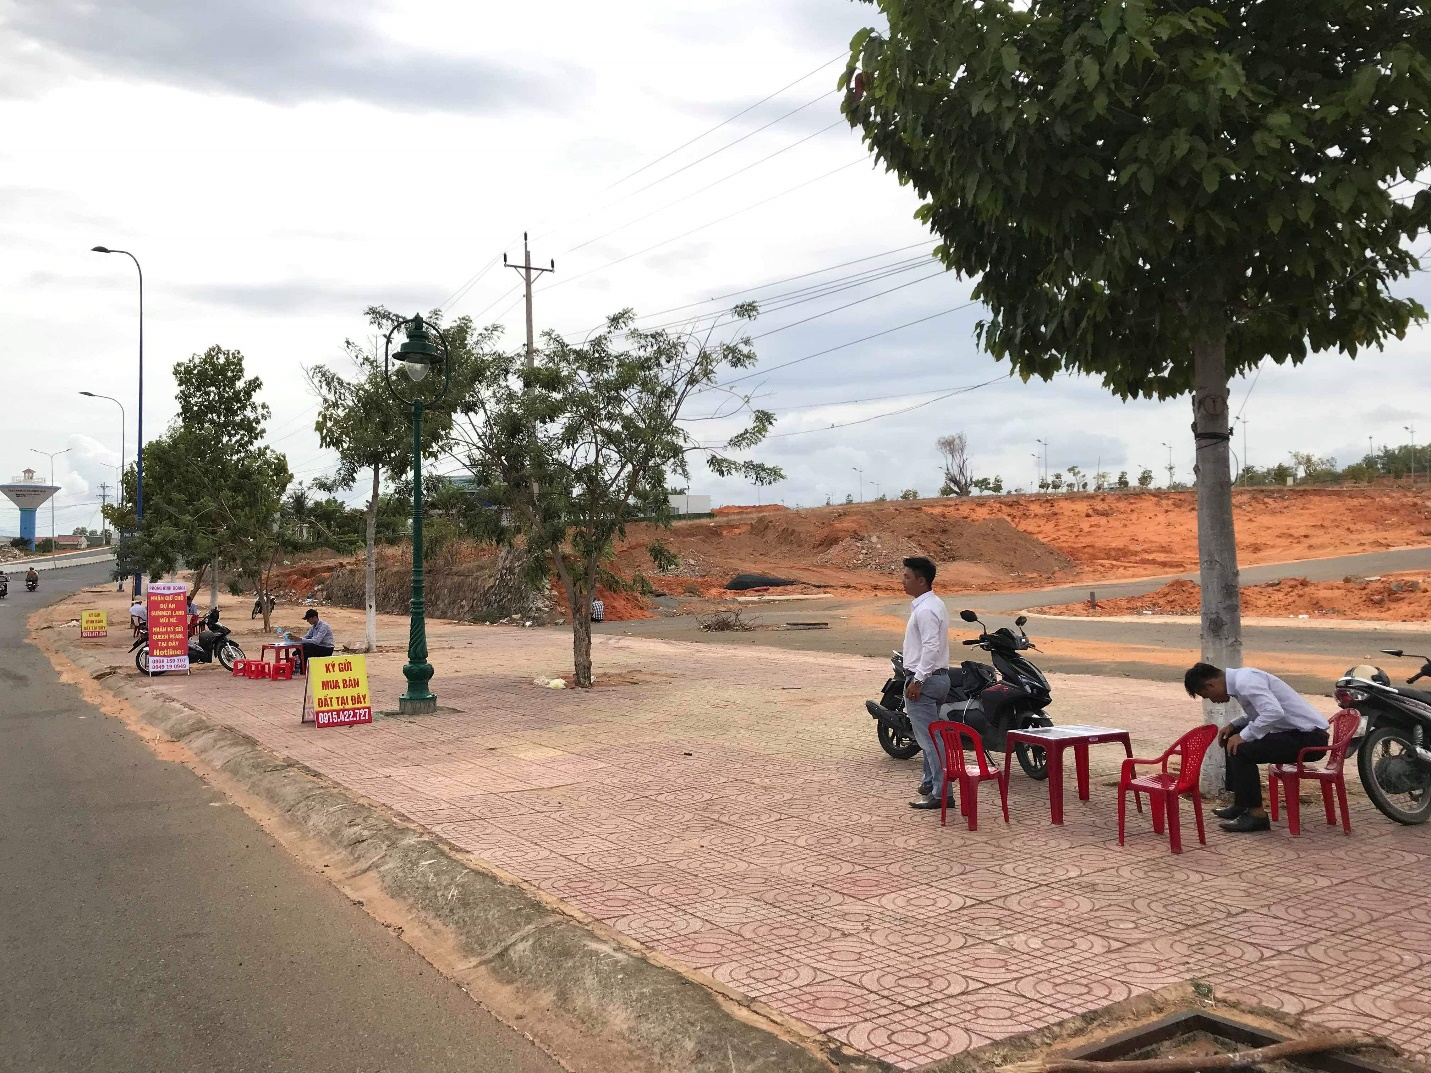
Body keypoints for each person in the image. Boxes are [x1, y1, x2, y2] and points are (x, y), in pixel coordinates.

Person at [1184, 662, 1330, 833]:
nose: (1212, 701)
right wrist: (1234, 725)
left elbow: (1273, 712)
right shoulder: (1241, 681)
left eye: (1207, 696)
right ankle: (1241, 804)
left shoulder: (1246, 682)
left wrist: (1243, 736)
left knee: (1242, 751)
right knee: (1231, 737)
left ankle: (1256, 815)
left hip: (1310, 739)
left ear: (1210, 685)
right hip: (1296, 733)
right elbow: (1259, 713)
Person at [901, 556, 952, 811]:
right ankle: (931, 783)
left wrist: (918, 680)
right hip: (937, 678)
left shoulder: (926, 610)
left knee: (931, 740)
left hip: (926, 680)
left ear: (921, 581)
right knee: (931, 736)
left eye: (907, 577)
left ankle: (942, 793)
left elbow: (931, 647)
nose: (903, 581)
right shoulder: (932, 604)